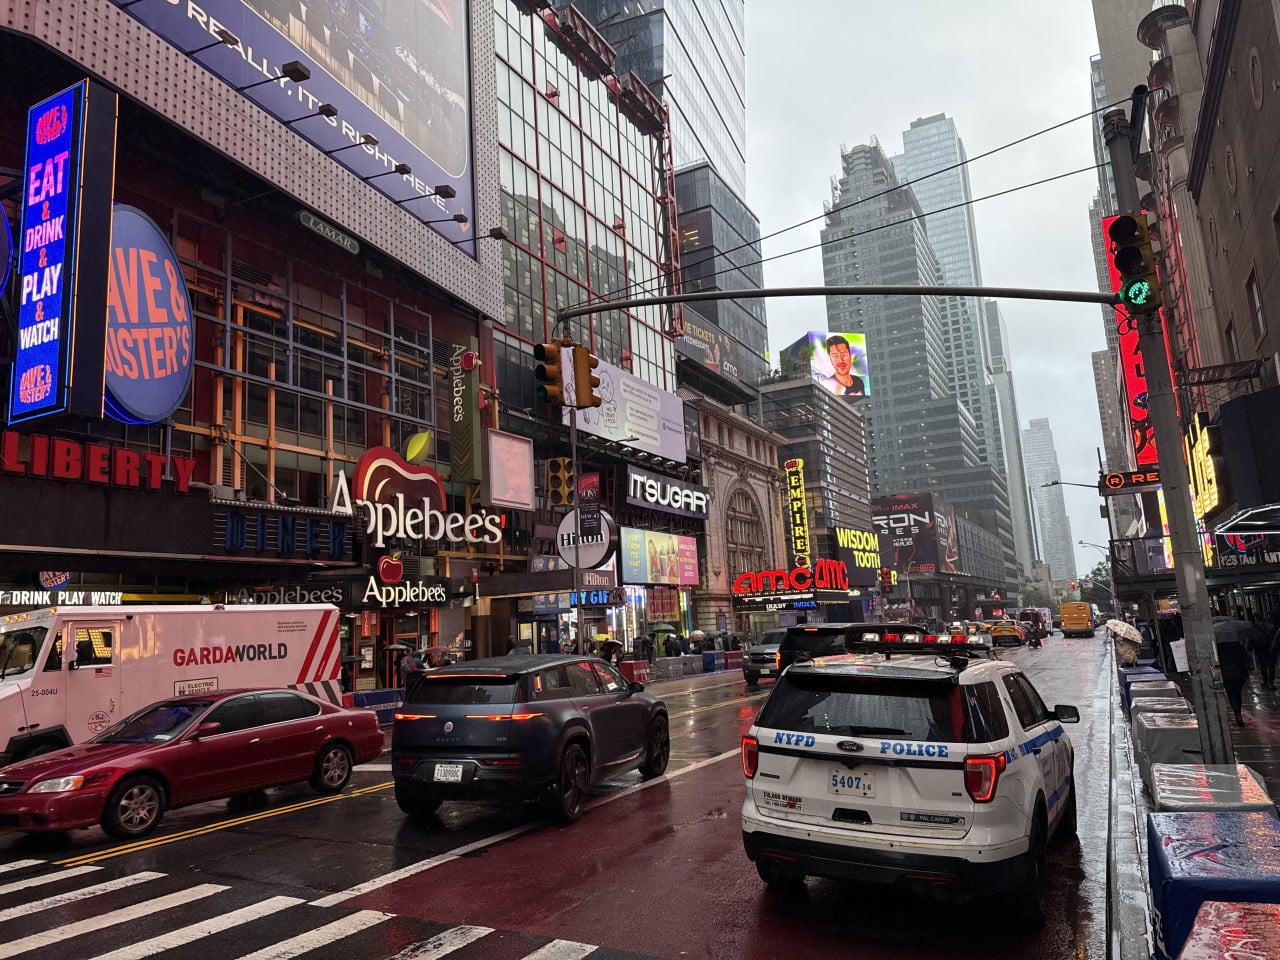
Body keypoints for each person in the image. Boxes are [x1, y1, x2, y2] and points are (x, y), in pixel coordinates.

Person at [1217, 636, 1251, 724]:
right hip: (1239, 673)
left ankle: (1237, 713)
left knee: (1231, 694)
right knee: (1238, 693)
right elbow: (1247, 660)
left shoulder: (1219, 648)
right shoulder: (1239, 646)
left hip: (1227, 674)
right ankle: (1238, 711)